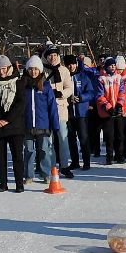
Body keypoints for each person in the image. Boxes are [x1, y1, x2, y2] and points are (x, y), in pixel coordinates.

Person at [0, 54, 29, 192]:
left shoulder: (18, 82)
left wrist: (7, 119)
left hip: (15, 126)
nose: (1, 72)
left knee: (17, 157)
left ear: (9, 67)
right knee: (0, 158)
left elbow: (20, 104)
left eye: (4, 68)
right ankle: (3, 183)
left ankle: (19, 184)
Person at [19, 55, 60, 184]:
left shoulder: (46, 86)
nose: (34, 72)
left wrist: (55, 125)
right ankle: (29, 175)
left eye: (36, 69)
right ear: (27, 70)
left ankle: (46, 173)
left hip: (43, 124)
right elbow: (18, 106)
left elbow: (52, 107)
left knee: (44, 150)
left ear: (40, 70)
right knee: (29, 151)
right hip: (28, 124)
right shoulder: (23, 86)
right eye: (31, 69)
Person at [40, 47, 76, 179]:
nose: (53, 58)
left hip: (60, 108)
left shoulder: (64, 70)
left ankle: (65, 165)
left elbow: (69, 87)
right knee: (48, 140)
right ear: (46, 57)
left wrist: (61, 94)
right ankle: (51, 166)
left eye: (55, 55)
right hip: (46, 109)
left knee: (63, 138)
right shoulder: (42, 69)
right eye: (50, 56)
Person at [98, 55, 126, 163]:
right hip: (111, 109)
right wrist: (109, 107)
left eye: (120, 69)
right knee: (111, 134)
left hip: (123, 109)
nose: (118, 71)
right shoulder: (105, 78)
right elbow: (100, 95)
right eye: (117, 68)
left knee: (122, 133)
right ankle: (112, 154)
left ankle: (122, 153)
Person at [66, 53, 101, 170]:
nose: (71, 67)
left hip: (81, 113)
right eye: (68, 65)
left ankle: (86, 162)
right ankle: (75, 161)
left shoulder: (83, 76)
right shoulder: (64, 77)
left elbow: (91, 92)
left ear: (76, 64)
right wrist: (68, 99)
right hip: (69, 114)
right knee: (71, 139)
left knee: (84, 138)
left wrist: (81, 98)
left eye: (72, 64)